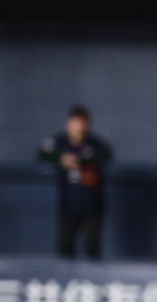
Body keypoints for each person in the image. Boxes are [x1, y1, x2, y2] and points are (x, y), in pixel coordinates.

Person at [39, 106, 112, 259]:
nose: (78, 128)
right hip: (68, 204)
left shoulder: (94, 143)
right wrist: (61, 159)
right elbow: (42, 154)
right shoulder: (60, 142)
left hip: (91, 204)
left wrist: (80, 160)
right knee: (66, 246)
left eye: (82, 123)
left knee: (92, 247)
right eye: (75, 123)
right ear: (68, 124)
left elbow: (106, 155)